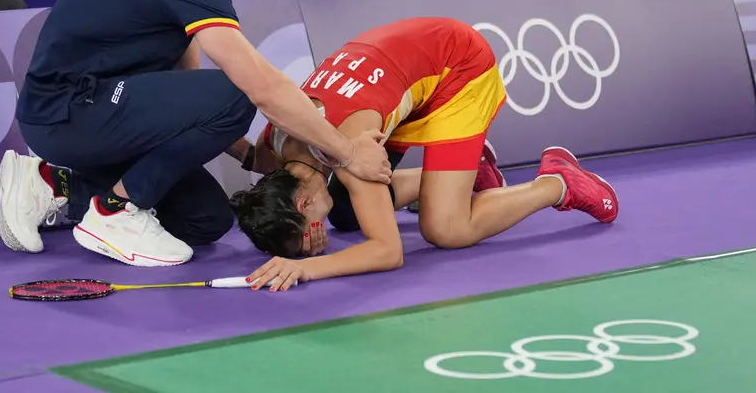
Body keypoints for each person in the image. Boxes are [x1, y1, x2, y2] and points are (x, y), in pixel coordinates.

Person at [0, 0, 392, 267]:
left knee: (206, 218)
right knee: (237, 92)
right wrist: (346, 153)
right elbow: (259, 87)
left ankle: (48, 183)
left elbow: (185, 90)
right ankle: (115, 212)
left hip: (96, 110)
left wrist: (247, 155)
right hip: (65, 110)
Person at [230, 17, 619, 291]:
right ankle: (472, 170)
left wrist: (306, 269)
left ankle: (558, 182)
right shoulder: (274, 145)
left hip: (456, 63)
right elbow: (248, 156)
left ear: (304, 202)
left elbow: (388, 251)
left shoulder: (350, 155)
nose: (317, 238)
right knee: (349, 213)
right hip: (400, 60)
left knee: (446, 230)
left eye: (308, 232)